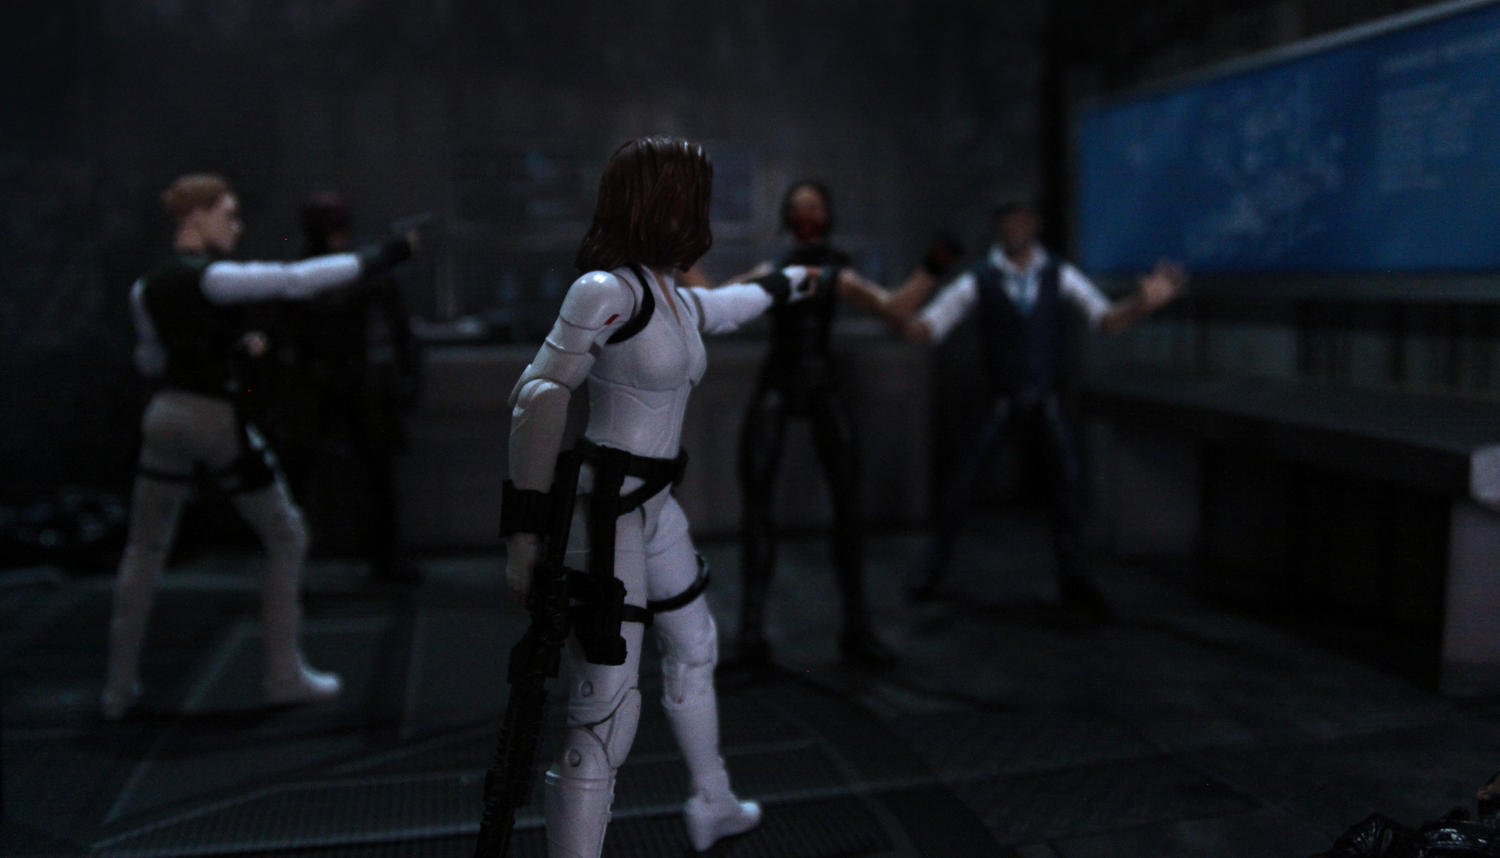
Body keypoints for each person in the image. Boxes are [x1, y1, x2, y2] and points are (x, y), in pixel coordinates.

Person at [502, 136, 815, 857]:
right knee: (605, 708)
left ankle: (713, 799)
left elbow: (725, 307)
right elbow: (539, 396)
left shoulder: (668, 294)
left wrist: (794, 283)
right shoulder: (607, 292)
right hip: (603, 515)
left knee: (694, 646)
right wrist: (524, 535)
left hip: (652, 507)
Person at [102, 173, 418, 720]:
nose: (236, 226)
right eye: (227, 214)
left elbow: (150, 361)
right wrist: (383, 255)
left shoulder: (145, 289)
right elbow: (295, 281)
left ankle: (118, 688)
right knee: (286, 535)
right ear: (196, 216)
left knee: (145, 548)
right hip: (213, 417)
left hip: (167, 414)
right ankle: (283, 673)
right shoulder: (214, 278)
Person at [899, 200, 1185, 613]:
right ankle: (930, 571)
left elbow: (1104, 319)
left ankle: (1075, 581)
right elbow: (931, 326)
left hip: (1046, 396)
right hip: (1001, 396)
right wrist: (897, 311)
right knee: (962, 486)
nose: (1016, 227)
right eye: (1008, 220)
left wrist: (1142, 303)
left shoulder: (1058, 274)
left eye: (1023, 219)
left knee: (1067, 488)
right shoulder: (980, 278)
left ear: (1034, 223)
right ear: (999, 225)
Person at [721, 180, 957, 670]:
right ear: (788, 218)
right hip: (779, 380)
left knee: (848, 507)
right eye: (799, 207)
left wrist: (933, 268)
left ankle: (855, 630)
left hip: (821, 381)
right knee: (758, 507)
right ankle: (751, 635)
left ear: (827, 215)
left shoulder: (838, 273)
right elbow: (716, 305)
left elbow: (894, 308)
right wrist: (676, 262)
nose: (807, 215)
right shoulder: (773, 270)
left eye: (815, 207)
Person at [273, 191, 423, 584]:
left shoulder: (353, 270)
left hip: (352, 381)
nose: (336, 236)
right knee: (305, 475)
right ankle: (290, 559)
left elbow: (398, 328)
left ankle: (384, 558)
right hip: (322, 381)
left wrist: (407, 376)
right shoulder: (313, 271)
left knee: (373, 474)